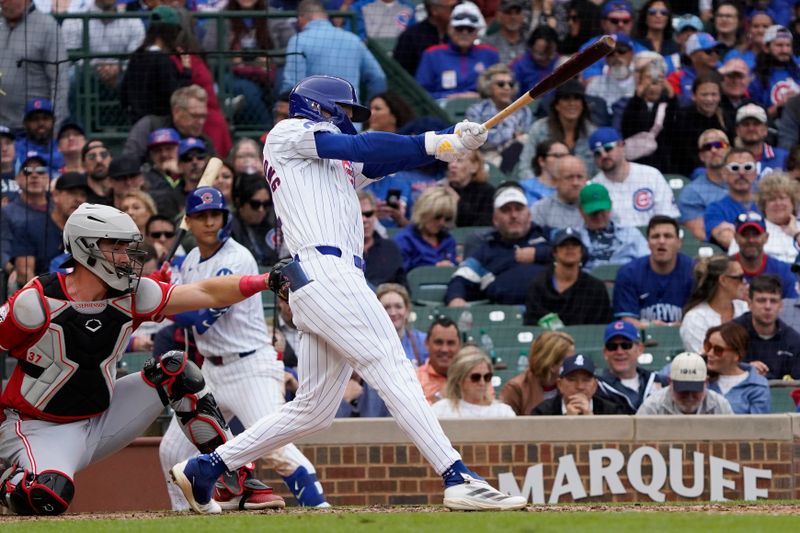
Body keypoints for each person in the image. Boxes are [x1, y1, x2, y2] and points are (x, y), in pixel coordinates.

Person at [170, 75, 527, 513]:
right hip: (325, 270)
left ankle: (207, 468)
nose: (350, 121)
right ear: (321, 108)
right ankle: (456, 475)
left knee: (314, 409)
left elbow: (378, 160)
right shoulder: (288, 134)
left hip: (326, 280)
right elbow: (362, 148)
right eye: (345, 111)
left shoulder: (329, 161)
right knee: (392, 364)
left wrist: (451, 144)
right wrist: (434, 140)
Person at [0, 202, 283, 516]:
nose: (126, 256)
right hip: (39, 427)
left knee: (178, 370)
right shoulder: (35, 302)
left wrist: (265, 280)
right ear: (86, 248)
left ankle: (234, 481)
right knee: (47, 496)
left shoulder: (134, 294)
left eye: (127, 246)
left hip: (103, 414)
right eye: (116, 246)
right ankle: (6, 479)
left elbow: (207, 293)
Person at [158, 187, 327, 510]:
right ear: (188, 222)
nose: (209, 222)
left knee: (278, 449)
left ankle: (320, 509)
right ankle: (189, 515)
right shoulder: (192, 260)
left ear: (226, 218)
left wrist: (162, 299)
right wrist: (167, 286)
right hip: (211, 369)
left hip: (250, 367)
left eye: (215, 215)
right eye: (201, 216)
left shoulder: (238, 258)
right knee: (171, 451)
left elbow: (199, 318)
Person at [446, 185, 552, 306]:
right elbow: (459, 280)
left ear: (529, 215)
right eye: (506, 210)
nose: (513, 215)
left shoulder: (548, 235)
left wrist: (538, 254)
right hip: (504, 316)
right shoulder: (486, 251)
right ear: (495, 219)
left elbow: (576, 253)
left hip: (552, 310)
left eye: (518, 209)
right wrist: (455, 299)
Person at [280, 0, 386, 100]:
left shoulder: (299, 40)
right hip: (350, 116)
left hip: (314, 116)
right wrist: (371, 110)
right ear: (325, 17)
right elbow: (378, 77)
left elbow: (292, 83)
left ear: (301, 18)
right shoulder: (353, 39)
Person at [613, 215, 695, 328]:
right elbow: (627, 321)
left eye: (668, 236)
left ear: (679, 243)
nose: (661, 241)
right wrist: (651, 327)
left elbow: (701, 318)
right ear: (648, 243)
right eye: (655, 236)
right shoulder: (629, 273)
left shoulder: (694, 272)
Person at [588, 127, 680, 227]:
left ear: (621, 145)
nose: (604, 155)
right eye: (597, 153)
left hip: (652, 239)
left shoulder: (651, 175)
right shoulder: (593, 187)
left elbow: (668, 218)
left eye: (608, 148)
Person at [524, 227, 614, 326]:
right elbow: (531, 323)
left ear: (581, 252)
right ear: (555, 252)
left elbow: (600, 328)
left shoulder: (595, 288)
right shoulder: (539, 285)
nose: (569, 248)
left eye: (575, 244)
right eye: (563, 244)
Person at [0, 0, 69, 130]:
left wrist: (54, 125)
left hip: (33, 130)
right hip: (2, 129)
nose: (2, 2)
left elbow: (60, 81)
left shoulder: (47, 27)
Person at [119, 6, 192, 124]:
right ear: (170, 31)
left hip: (137, 124)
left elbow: (124, 94)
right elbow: (176, 96)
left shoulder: (137, 57)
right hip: (161, 127)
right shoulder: (163, 61)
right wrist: (187, 72)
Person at [415, 3, 499, 102]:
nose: (464, 33)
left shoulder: (490, 54)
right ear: (450, 29)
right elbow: (421, 93)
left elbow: (499, 89)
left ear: (477, 31)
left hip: (482, 109)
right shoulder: (432, 54)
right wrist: (448, 97)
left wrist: (478, 96)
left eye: (470, 29)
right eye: (459, 28)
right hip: (442, 110)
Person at [517, 80, 598, 180]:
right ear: (557, 105)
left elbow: (598, 172)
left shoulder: (593, 133)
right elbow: (525, 167)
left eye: (577, 98)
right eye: (566, 98)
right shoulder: (539, 129)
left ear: (583, 105)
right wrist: (539, 188)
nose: (572, 103)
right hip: (543, 190)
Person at [123, 85, 216, 167]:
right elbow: (128, 162)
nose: (201, 122)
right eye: (195, 116)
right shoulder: (150, 126)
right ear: (176, 112)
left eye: (203, 116)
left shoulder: (205, 142)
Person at [4, 152, 60, 285]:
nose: (34, 175)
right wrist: (12, 269)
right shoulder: (6, 211)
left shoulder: (58, 208)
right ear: (17, 179)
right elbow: (2, 248)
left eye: (41, 171)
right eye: (27, 171)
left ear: (48, 178)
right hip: (20, 274)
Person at [465, 64, 533, 169]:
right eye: (501, 84)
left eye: (511, 84)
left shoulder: (524, 111)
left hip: (518, 157)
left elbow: (527, 140)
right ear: (489, 87)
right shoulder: (476, 111)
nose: (507, 87)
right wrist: (512, 134)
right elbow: (480, 141)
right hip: (487, 158)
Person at [680, 255, 749, 353]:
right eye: (739, 278)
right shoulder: (695, 319)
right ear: (723, 280)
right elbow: (705, 359)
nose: (745, 282)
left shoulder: (745, 308)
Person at [736, 274, 800, 379]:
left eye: (773, 301)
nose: (768, 306)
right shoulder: (732, 334)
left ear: (781, 306)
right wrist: (745, 369)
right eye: (761, 300)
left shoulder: (793, 342)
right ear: (749, 303)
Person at [672, 71, 736, 177]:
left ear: (720, 96)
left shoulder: (727, 117)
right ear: (693, 96)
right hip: (691, 172)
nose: (709, 99)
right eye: (704, 94)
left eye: (714, 94)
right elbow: (680, 154)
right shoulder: (682, 118)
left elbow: (730, 147)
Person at [575, 182, 650, 272]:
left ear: (610, 205)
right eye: (593, 212)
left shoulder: (631, 234)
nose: (599, 216)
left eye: (602, 210)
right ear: (580, 210)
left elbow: (649, 264)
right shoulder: (574, 238)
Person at [728, 173, 800, 263]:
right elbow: (734, 262)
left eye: (782, 198)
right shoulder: (749, 228)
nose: (778, 203)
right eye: (772, 199)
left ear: (793, 202)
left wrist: (796, 233)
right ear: (763, 205)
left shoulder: (798, 229)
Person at [500, 330, 575, 415]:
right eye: (569, 361)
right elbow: (505, 424)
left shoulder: (574, 385)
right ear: (552, 365)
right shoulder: (516, 388)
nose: (573, 364)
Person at [598, 320, 665, 413]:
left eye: (626, 345)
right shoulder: (596, 388)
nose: (619, 352)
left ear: (640, 349)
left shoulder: (658, 381)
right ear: (605, 352)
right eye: (612, 346)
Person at [703, 322, 771, 414]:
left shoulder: (757, 387)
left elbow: (758, 426)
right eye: (708, 346)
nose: (710, 354)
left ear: (737, 355)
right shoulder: (700, 379)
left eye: (718, 350)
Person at [636, 352, 734, 414]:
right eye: (683, 389)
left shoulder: (719, 405)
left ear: (706, 383)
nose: (689, 395)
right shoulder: (653, 406)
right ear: (670, 382)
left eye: (695, 389)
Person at [431, 347, 516, 418]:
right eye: (476, 377)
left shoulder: (503, 412)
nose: (482, 383)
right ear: (459, 380)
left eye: (487, 377)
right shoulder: (441, 410)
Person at [677, 129, 731, 241]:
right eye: (707, 147)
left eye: (719, 144)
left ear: (729, 150)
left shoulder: (745, 184)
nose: (714, 150)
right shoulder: (691, 192)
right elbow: (700, 234)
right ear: (701, 156)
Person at [730, 211, 798, 298]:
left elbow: (793, 307)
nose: (751, 240)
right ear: (736, 238)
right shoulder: (724, 269)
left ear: (766, 237)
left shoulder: (783, 270)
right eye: (745, 235)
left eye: (756, 235)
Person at [532, 354, 627, 415]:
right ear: (560, 385)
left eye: (586, 380)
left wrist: (591, 419)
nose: (580, 386)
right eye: (572, 380)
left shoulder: (612, 411)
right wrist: (566, 422)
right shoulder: (542, 412)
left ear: (595, 385)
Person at [704, 148, 760, 249]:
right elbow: (726, 240)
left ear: (756, 173)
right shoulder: (715, 210)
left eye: (748, 167)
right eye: (735, 168)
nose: (741, 173)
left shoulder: (769, 205)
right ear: (724, 174)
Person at [394, 186, 458, 271]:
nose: (442, 223)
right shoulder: (403, 240)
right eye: (437, 216)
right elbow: (401, 277)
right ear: (423, 212)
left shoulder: (448, 240)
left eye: (447, 218)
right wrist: (434, 269)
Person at [392, 0, 457, 76]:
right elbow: (400, 75)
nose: (457, 11)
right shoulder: (411, 37)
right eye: (453, 7)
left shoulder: (462, 32)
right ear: (434, 10)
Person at [748, 25, 800, 117]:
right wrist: (779, 106)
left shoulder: (797, 72)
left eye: (788, 45)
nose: (785, 50)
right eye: (779, 45)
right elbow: (754, 117)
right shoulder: (755, 78)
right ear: (766, 48)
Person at [360, 191, 405, 287]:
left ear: (375, 214)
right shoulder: (340, 251)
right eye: (358, 215)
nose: (364, 220)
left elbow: (402, 285)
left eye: (368, 214)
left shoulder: (391, 248)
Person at [529, 154, 588, 229]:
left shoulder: (595, 204)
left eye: (579, 177)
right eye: (569, 177)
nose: (575, 183)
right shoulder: (540, 209)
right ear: (556, 181)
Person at [667, 32, 725, 106]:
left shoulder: (724, 75)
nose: (714, 55)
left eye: (717, 51)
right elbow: (675, 105)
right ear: (692, 55)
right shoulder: (676, 78)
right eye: (708, 51)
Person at [587, 32, 636, 116]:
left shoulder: (640, 83)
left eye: (621, 51)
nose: (616, 56)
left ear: (632, 54)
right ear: (605, 58)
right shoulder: (595, 84)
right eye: (610, 53)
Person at [733, 104, 788, 179]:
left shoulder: (784, 157)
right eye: (746, 124)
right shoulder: (729, 160)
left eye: (756, 124)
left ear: (765, 129)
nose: (751, 128)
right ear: (737, 130)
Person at [415, 317, 461, 404]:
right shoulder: (414, 379)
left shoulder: (475, 377)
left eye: (450, 343)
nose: (445, 349)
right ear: (426, 344)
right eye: (438, 342)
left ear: (459, 346)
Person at [446, 150, 495, 227]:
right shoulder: (442, 190)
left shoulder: (487, 193)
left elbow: (481, 227)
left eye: (459, 161)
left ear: (474, 167)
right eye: (450, 161)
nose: (452, 165)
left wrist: (458, 203)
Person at [14, 98, 63, 175]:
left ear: (53, 121)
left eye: (45, 118)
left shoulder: (62, 145)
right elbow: (24, 170)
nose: (41, 123)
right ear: (25, 123)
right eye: (35, 119)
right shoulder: (16, 148)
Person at [510, 26, 560, 97]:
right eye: (540, 53)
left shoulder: (560, 62)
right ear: (531, 47)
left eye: (548, 53)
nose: (544, 58)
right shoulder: (518, 65)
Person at [519, 140, 569, 204]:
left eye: (567, 157)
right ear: (541, 161)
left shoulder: (573, 190)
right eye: (557, 156)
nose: (564, 161)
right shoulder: (522, 189)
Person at [482, 0, 527, 65]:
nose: (513, 17)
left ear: (523, 16)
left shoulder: (530, 41)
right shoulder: (488, 43)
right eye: (508, 13)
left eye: (517, 12)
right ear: (499, 16)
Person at [81, 139, 113, 205]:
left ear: (111, 159)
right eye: (91, 156)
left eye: (104, 155)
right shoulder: (79, 193)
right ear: (83, 164)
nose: (99, 160)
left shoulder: (121, 189)